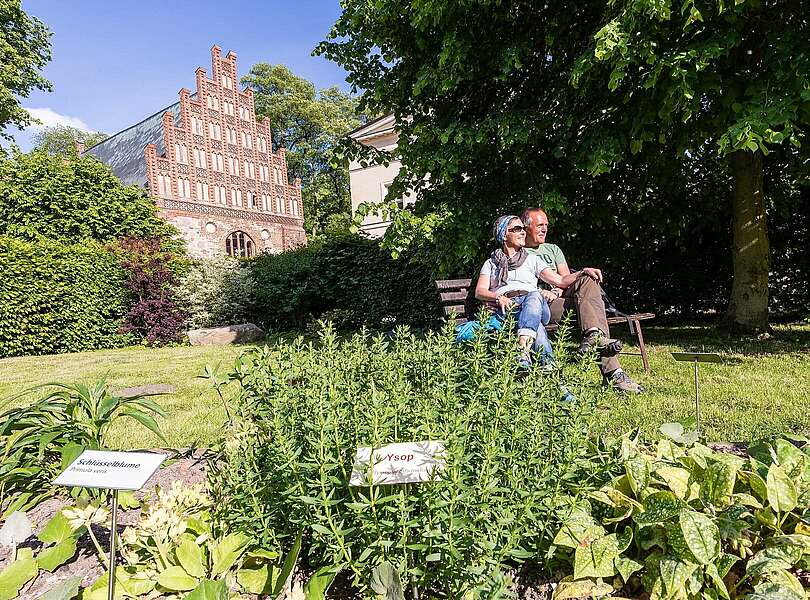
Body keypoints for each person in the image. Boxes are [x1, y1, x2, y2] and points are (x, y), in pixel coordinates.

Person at [521, 207, 644, 393]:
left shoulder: (553, 250)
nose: (544, 229)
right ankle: (614, 373)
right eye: (540, 225)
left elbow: (566, 280)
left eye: (546, 225)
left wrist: (557, 290)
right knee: (594, 308)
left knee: (587, 278)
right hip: (540, 307)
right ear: (526, 227)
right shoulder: (518, 252)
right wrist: (541, 293)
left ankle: (593, 335)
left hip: (562, 299)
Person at [475, 215, 604, 369]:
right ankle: (550, 371)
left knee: (535, 296)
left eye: (523, 228)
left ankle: (522, 349)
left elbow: (560, 281)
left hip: (534, 302)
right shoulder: (491, 263)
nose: (523, 232)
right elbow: (480, 291)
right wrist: (498, 297)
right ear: (503, 235)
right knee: (535, 325)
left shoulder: (531, 259)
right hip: (510, 307)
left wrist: (583, 271)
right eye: (517, 229)